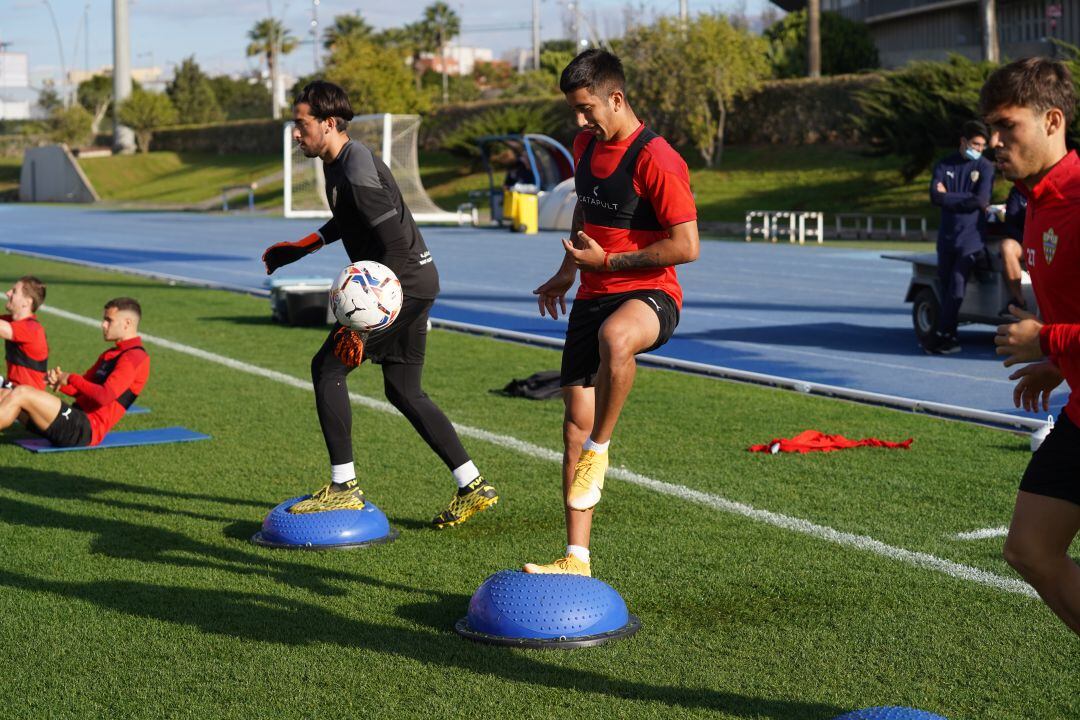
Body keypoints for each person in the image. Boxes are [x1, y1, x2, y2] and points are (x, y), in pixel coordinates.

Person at [262, 80, 496, 527]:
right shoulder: (340, 162)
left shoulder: (354, 168)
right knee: (403, 389)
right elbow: (349, 219)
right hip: (414, 281)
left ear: (328, 124)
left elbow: (391, 246)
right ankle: (472, 483)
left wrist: (363, 318)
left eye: (301, 123)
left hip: (400, 283)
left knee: (327, 367)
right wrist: (305, 246)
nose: (295, 133)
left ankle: (343, 487)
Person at [523, 50, 699, 576]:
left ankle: (604, 444)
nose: (579, 121)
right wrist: (568, 268)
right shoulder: (585, 143)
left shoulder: (657, 158)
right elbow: (585, 205)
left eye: (586, 109)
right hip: (592, 291)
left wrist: (612, 261)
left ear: (615, 98)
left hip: (650, 292)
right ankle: (576, 558)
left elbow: (687, 246)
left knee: (616, 339)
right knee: (572, 427)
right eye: (574, 111)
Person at [983, 56, 1080, 635]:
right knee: (1030, 549)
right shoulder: (1036, 200)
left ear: (1051, 120)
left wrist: (1047, 338)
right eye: (989, 127)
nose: (994, 141)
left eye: (1006, 126)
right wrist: (1057, 362)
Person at [0, 297, 149, 449]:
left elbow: (104, 396)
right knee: (6, 392)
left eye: (108, 320)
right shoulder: (111, 354)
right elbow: (81, 391)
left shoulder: (135, 358)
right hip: (74, 418)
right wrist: (60, 382)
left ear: (127, 323)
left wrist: (71, 378)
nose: (103, 324)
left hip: (86, 429)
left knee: (22, 392)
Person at [929, 120, 995, 354]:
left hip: (971, 239)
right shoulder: (945, 163)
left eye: (982, 146)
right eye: (975, 144)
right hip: (947, 237)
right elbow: (934, 197)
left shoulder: (985, 167)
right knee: (946, 287)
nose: (978, 149)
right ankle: (950, 335)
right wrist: (963, 198)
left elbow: (980, 200)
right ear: (963, 142)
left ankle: (942, 335)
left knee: (957, 286)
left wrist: (950, 197)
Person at [0, 276, 49, 393]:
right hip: (13, 389)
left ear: (27, 302)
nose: (7, 293)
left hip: (27, 399)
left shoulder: (32, 329)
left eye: (14, 291)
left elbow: (4, 329)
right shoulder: (12, 321)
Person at [998, 186, 1029, 314]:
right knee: (1007, 246)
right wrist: (1027, 241)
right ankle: (1018, 300)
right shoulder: (1018, 191)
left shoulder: (1056, 188)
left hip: (1049, 241)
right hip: (1025, 243)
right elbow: (1009, 224)